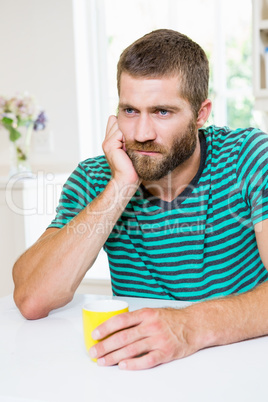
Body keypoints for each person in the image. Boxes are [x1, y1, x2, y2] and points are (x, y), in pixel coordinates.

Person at [13, 29, 268, 370]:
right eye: (130, 111)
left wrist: (188, 326)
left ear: (202, 113)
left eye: (162, 112)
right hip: (139, 372)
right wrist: (121, 185)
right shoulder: (96, 177)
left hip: (241, 364)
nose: (142, 134)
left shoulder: (249, 158)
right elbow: (32, 298)